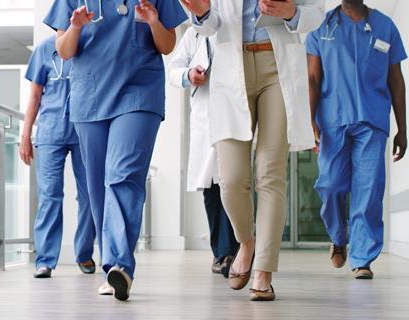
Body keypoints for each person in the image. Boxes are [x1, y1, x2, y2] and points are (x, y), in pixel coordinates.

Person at [43, 0, 187, 301]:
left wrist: (153, 22)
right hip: (90, 95)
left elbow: (167, 44)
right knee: (96, 188)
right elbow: (64, 50)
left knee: (124, 175)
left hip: (139, 93)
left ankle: (119, 265)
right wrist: (75, 26)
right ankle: (112, 263)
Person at [181, 0, 324, 300]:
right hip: (231, 69)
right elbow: (209, 27)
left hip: (277, 66)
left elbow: (316, 13)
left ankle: (264, 272)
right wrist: (202, 12)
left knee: (270, 175)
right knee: (231, 180)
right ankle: (246, 242)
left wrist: (291, 13)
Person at [306, 0, 407, 279]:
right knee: (329, 185)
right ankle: (339, 237)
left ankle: (362, 258)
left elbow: (396, 79)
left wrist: (402, 127)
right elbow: (313, 77)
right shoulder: (321, 26)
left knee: (369, 190)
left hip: (372, 120)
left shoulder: (385, 26)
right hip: (332, 118)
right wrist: (310, 119)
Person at [19, 35, 97, 279]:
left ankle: (84, 253)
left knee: (89, 195)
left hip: (85, 127)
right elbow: (35, 96)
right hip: (50, 131)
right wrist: (25, 135)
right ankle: (45, 259)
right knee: (49, 195)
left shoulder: (90, 45)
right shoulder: (43, 50)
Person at [168, 27, 238, 278]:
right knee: (212, 187)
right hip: (206, 116)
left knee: (234, 183)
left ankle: (236, 250)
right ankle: (223, 253)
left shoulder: (236, 24)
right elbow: (173, 71)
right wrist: (189, 75)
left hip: (235, 113)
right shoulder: (193, 34)